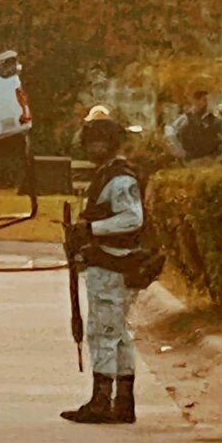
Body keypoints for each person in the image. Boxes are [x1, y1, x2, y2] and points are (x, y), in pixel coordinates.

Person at [61, 116, 144, 424]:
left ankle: (101, 401)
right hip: (109, 262)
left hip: (112, 263)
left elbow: (132, 219)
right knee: (119, 333)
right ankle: (123, 401)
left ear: (107, 143)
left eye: (94, 141)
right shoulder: (109, 175)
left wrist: (91, 230)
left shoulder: (120, 179)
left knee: (103, 333)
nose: (89, 147)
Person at [164, 91, 222, 161]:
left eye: (207, 101)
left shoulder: (213, 119)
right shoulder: (185, 118)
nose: (206, 103)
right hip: (189, 157)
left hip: (209, 158)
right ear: (196, 101)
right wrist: (178, 150)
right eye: (204, 100)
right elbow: (170, 131)